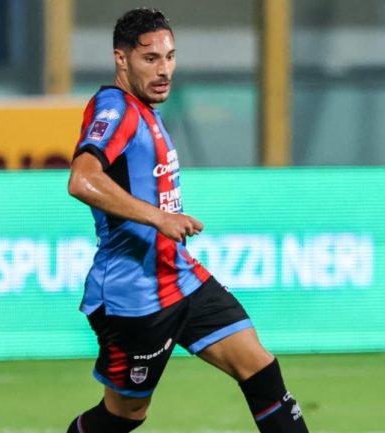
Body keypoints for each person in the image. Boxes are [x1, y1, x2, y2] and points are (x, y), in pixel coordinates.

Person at [66, 8, 310, 433]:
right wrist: (159, 217)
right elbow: (82, 179)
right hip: (135, 295)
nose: (164, 70)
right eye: (151, 59)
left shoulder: (145, 109)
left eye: (170, 57)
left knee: (261, 370)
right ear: (121, 59)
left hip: (180, 277)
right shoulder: (116, 108)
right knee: (125, 415)